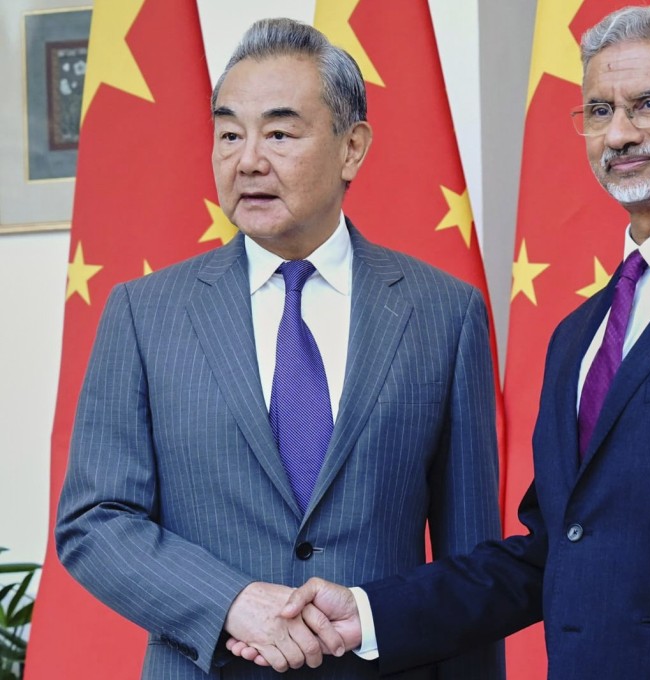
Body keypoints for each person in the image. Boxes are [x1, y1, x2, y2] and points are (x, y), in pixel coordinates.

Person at [232, 6, 650, 679]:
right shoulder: (579, 336)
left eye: (648, 104)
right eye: (598, 111)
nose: (620, 133)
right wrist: (368, 615)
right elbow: (551, 553)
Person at [54, 17, 503, 679]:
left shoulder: (444, 314)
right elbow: (95, 519)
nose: (248, 160)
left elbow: (471, 575)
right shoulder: (144, 314)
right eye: (230, 133)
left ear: (352, 148)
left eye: (280, 133)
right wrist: (230, 601)